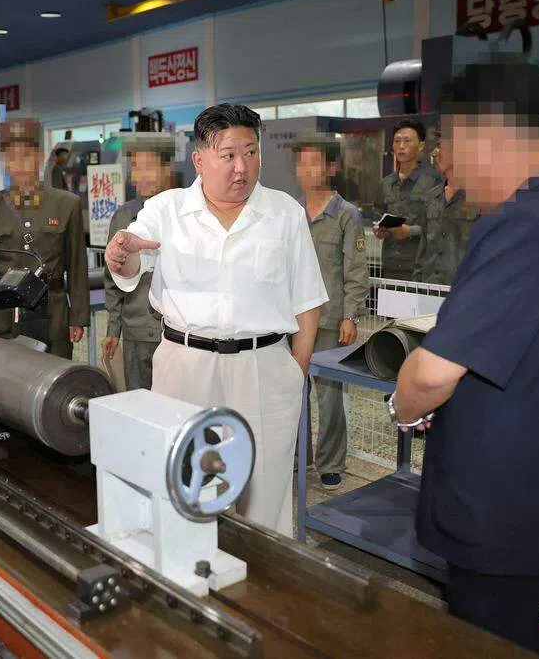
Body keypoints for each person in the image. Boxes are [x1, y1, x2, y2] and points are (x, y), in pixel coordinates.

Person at [388, 57, 539, 657]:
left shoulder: (522, 224)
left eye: (450, 143)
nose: (449, 165)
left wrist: (403, 404)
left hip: (511, 524)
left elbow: (432, 373)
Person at [104, 104, 328, 537]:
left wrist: (294, 371)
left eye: (251, 152)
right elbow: (133, 259)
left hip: (263, 369)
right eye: (228, 155)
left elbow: (307, 300)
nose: (242, 166)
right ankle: (188, 569)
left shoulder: (284, 213)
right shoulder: (167, 209)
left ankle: (264, 574)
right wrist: (121, 253)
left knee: (265, 494)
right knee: (186, 486)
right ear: (200, 160)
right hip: (185, 367)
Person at [0, 118, 89, 359]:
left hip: (53, 316)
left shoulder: (66, 204)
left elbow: (77, 267)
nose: (19, 164)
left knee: (54, 375)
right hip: (2, 319)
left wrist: (77, 318)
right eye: (11, 157)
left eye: (26, 155)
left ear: (39, 157)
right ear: (4, 161)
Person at [291, 135, 368, 490]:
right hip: (292, 320)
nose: (306, 170)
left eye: (314, 163)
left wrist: (351, 316)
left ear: (331, 168)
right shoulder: (291, 213)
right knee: (293, 391)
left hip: (329, 321)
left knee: (330, 396)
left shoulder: (346, 215)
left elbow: (356, 270)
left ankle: (331, 462)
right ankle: (299, 456)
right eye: (301, 163)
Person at [101, 138, 174, 390]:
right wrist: (113, 329)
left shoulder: (183, 213)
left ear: (167, 168)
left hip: (176, 331)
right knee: (139, 402)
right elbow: (112, 279)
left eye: (148, 167)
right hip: (137, 332)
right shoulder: (122, 217)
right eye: (135, 167)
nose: (140, 175)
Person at [373, 119, 445, 280]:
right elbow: (378, 215)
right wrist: (379, 230)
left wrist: (409, 232)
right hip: (391, 266)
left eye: (407, 141)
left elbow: (440, 227)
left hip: (421, 269)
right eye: (397, 141)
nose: (401, 146)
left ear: (421, 146)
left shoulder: (434, 181)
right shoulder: (385, 184)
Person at [410, 141, 470, 285]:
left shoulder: (481, 198)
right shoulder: (432, 196)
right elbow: (424, 246)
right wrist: (417, 282)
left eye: (441, 147)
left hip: (463, 286)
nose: (435, 153)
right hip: (430, 285)